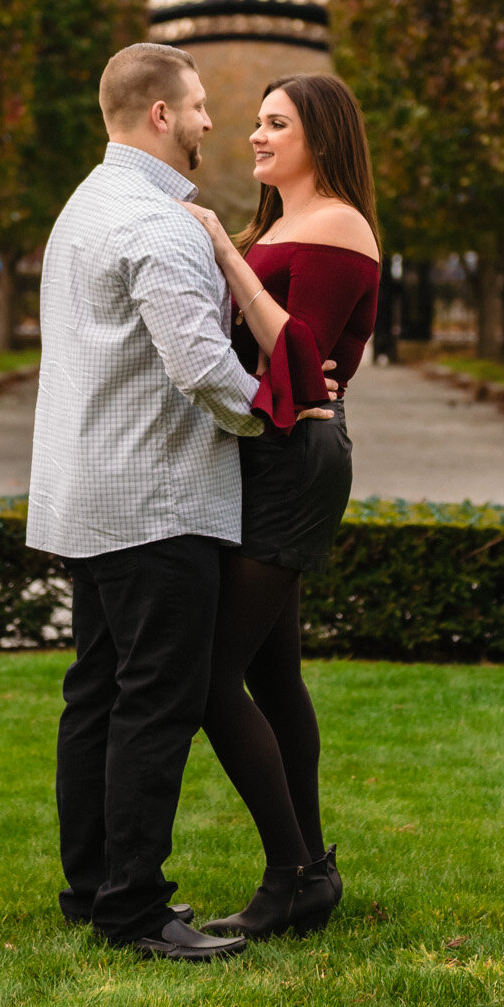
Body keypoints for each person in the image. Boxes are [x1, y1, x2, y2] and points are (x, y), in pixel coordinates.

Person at [27, 42, 277, 962]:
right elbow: (202, 365)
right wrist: (280, 413)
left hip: (91, 495)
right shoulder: (162, 224)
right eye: (202, 105)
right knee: (154, 704)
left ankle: (92, 887)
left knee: (95, 693)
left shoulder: (83, 210)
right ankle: (134, 908)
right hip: (159, 502)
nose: (214, 122)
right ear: (161, 114)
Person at [179, 74, 382, 940]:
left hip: (298, 458)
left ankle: (291, 870)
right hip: (265, 452)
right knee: (272, 673)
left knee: (210, 676)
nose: (256, 137)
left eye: (275, 123)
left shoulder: (338, 226)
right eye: (258, 122)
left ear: (321, 137)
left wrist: (227, 253)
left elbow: (297, 355)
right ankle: (314, 869)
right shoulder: (283, 225)